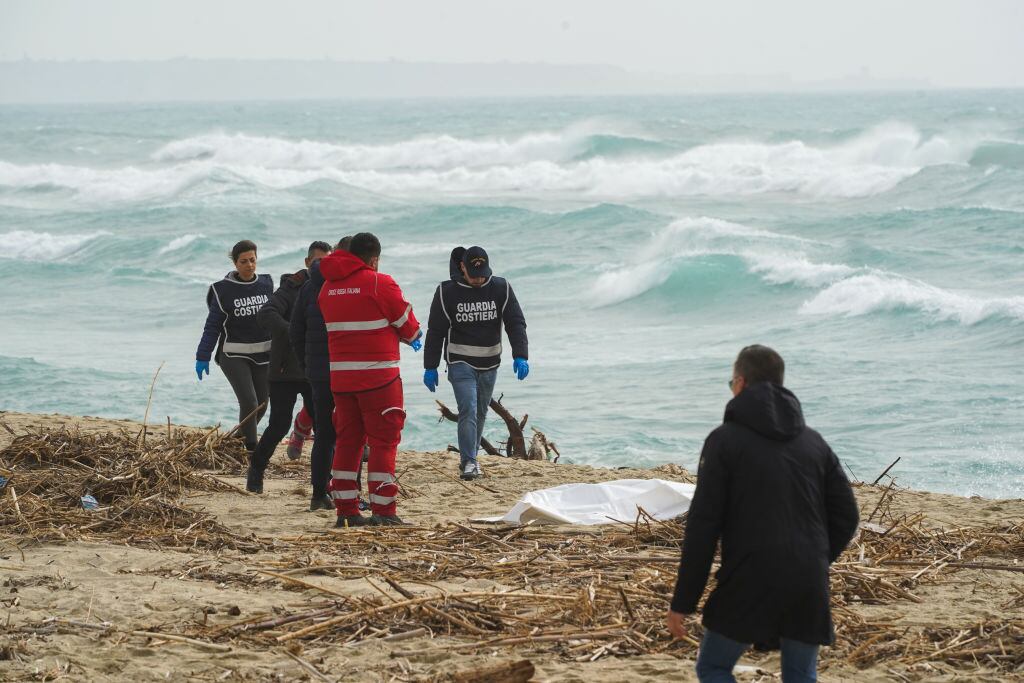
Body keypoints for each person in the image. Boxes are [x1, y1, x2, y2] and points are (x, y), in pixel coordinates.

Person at [667, 345, 859, 683]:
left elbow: (703, 526)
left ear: (740, 384)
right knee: (800, 676)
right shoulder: (814, 443)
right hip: (807, 577)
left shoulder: (724, 441)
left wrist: (684, 600)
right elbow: (847, 515)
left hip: (749, 577)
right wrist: (814, 557)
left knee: (713, 668)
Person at [318, 232, 422, 527]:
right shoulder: (380, 282)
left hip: (341, 378)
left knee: (348, 443)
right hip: (379, 378)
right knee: (383, 443)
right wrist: (411, 335)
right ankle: (384, 510)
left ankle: (347, 510)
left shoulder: (327, 288)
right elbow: (409, 328)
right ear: (374, 259)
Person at [422, 246, 529, 480]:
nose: (479, 279)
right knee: (468, 408)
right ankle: (469, 462)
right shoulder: (446, 292)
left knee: (480, 412)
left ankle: (470, 459)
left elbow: (515, 322)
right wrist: (430, 366)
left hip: (490, 362)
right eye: (474, 275)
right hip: (460, 361)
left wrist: (521, 354)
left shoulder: (501, 287)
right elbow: (435, 331)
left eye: (483, 274)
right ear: (462, 267)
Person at [246, 241, 332, 503]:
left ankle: (323, 485)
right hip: (284, 369)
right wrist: (295, 330)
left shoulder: (332, 287)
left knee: (324, 428)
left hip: (312, 370)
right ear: (307, 263)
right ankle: (256, 469)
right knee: (279, 424)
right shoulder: (292, 286)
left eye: (326, 262)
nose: (321, 267)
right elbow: (266, 314)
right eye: (317, 262)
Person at [195, 240, 273, 456]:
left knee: (263, 404)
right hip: (233, 354)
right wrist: (203, 355)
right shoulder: (222, 291)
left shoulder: (267, 284)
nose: (249, 265)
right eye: (244, 261)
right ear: (235, 263)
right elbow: (213, 326)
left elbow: (274, 318)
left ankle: (238, 438)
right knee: (249, 401)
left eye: (253, 260)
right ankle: (251, 448)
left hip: (263, 353)